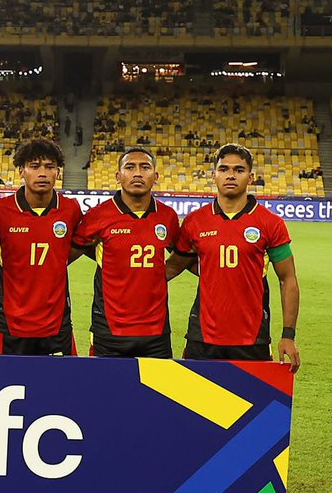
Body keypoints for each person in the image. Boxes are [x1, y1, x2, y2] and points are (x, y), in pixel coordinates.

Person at [166, 143, 300, 371]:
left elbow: (288, 278)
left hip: (252, 337)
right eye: (224, 169)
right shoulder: (194, 222)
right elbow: (175, 265)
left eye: (238, 170)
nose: (230, 175)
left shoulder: (270, 223)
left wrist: (288, 335)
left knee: (253, 404)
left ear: (251, 177)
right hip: (202, 335)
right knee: (195, 403)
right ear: (214, 175)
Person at [72, 148, 180, 358]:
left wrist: (159, 274)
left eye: (145, 167)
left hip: (156, 330)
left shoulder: (168, 216)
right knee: (105, 389)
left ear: (155, 177)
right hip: (109, 329)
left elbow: (182, 255)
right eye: (130, 167)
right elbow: (73, 249)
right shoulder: (98, 215)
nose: (137, 173)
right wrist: (113, 262)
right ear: (118, 176)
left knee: (157, 390)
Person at [0, 138, 83, 355]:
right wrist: (2, 267)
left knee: (64, 384)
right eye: (35, 167)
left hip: (57, 320)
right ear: (21, 171)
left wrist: (60, 260)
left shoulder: (70, 209)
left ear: (58, 172)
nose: (43, 173)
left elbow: (84, 243)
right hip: (11, 320)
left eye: (49, 167)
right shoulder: (0, 210)